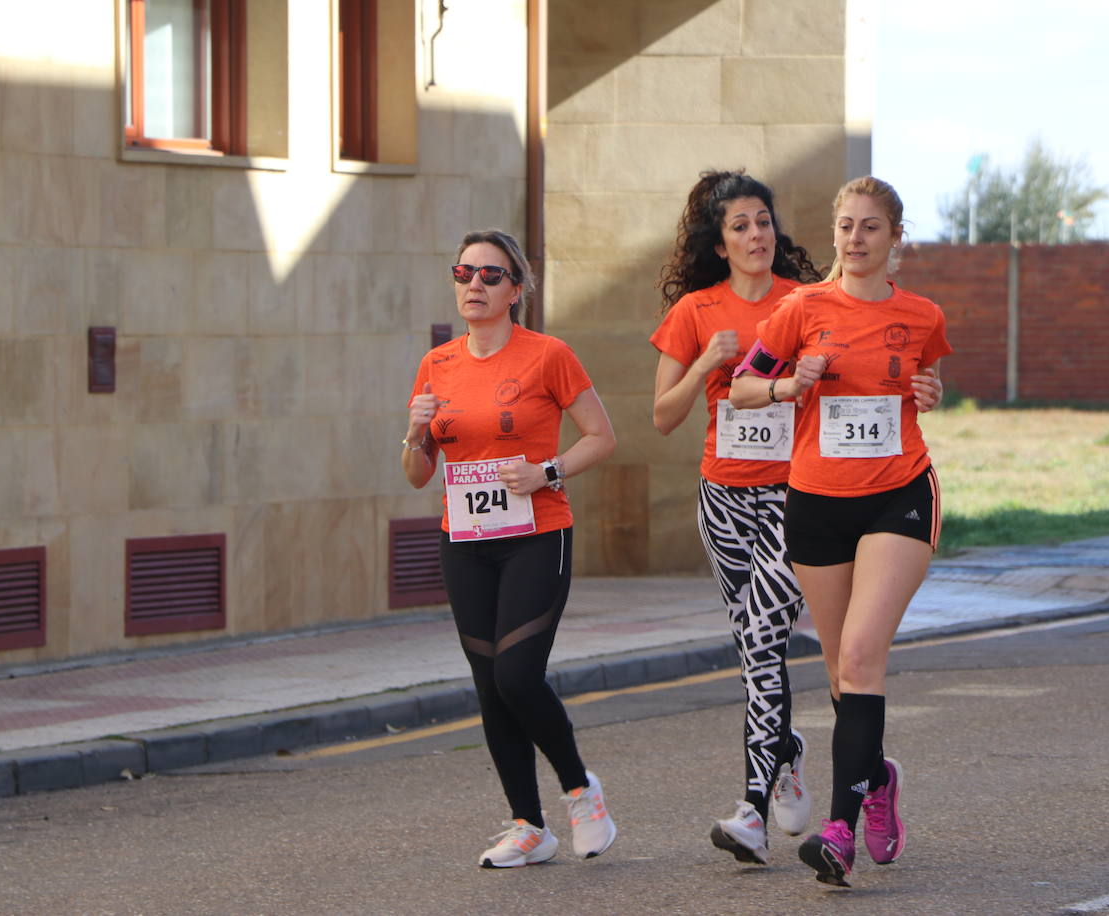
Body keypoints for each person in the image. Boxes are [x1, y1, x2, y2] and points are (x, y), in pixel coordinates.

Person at [729, 176, 947, 887]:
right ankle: (876, 778)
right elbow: (741, 386)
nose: (856, 239)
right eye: (846, 226)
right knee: (841, 673)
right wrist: (789, 386)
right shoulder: (802, 309)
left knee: (861, 656)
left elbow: (926, 381)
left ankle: (838, 832)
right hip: (818, 501)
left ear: (894, 238)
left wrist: (932, 392)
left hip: (899, 497)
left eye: (870, 228)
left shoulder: (921, 315)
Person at [403, 229, 618, 869]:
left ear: (516, 289)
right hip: (464, 540)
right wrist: (416, 434)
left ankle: (582, 791)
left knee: (517, 675)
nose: (474, 284)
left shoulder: (548, 355)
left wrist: (546, 472)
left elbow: (601, 437)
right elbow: (418, 473)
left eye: (490, 276)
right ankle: (528, 825)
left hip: (535, 534)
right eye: (464, 272)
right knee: (489, 685)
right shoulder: (437, 363)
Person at [650, 169, 821, 865]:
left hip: (795, 495)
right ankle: (787, 750)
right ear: (719, 245)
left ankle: (751, 808)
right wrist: (703, 367)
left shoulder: (806, 303)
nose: (757, 235)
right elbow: (662, 417)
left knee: (758, 636)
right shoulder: (695, 312)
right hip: (722, 497)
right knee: (758, 647)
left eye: (764, 221)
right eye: (741, 226)